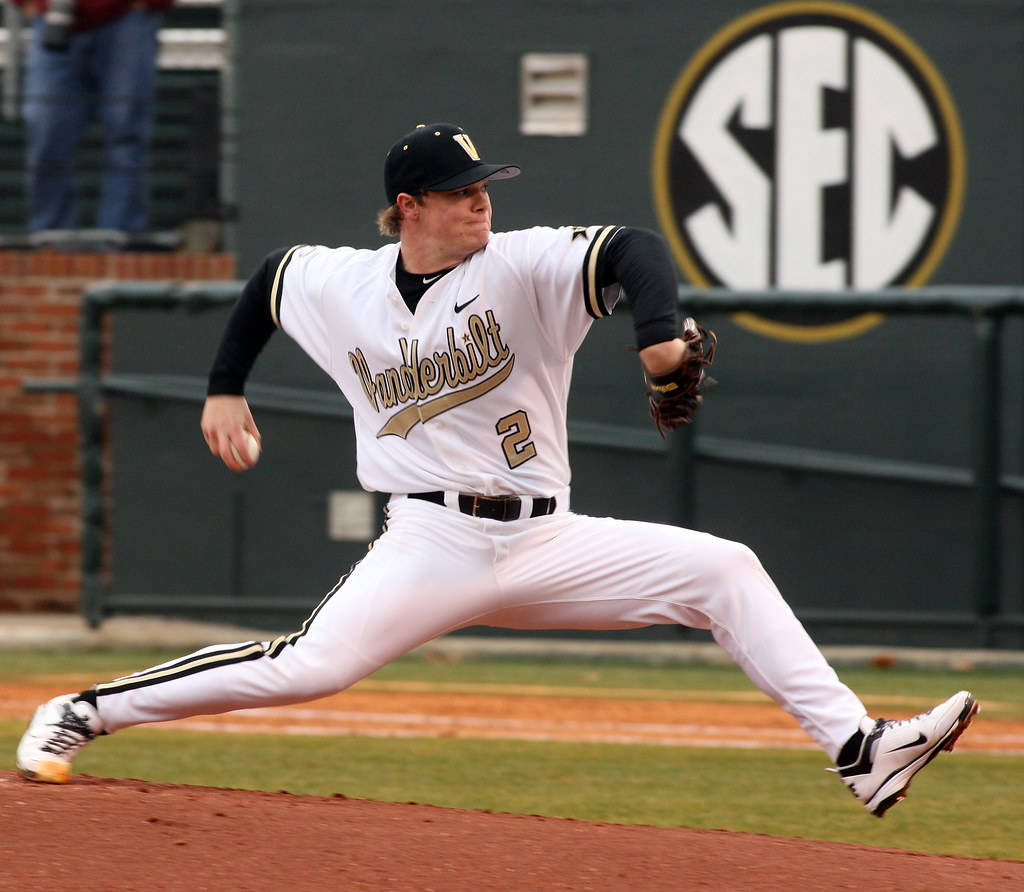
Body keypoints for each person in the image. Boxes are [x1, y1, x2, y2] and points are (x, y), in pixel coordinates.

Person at [16, 122, 978, 817]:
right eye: (461, 189)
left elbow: (635, 250)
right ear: (408, 209)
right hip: (431, 538)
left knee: (723, 567)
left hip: (547, 538)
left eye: (486, 184)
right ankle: (80, 710)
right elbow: (269, 277)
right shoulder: (345, 282)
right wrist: (225, 386)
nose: (483, 199)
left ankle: (861, 753)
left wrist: (655, 340)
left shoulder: (519, 264)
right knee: (305, 667)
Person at [14, 0, 174, 233]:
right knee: (46, 129)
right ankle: (49, 238)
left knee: (127, 135)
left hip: (128, 17)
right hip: (55, 17)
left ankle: (122, 236)